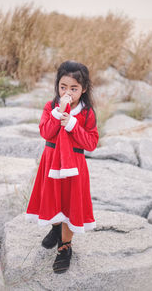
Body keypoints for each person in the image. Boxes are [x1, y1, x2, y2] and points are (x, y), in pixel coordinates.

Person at [26, 60, 99, 274]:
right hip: (51, 161)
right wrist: (58, 115)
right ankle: (55, 228)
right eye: (63, 87)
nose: (68, 92)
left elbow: (91, 143)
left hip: (74, 165)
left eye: (74, 88)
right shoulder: (50, 107)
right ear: (58, 86)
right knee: (52, 197)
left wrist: (72, 125)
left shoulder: (86, 113)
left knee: (70, 202)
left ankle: (65, 246)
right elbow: (46, 133)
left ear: (83, 89)